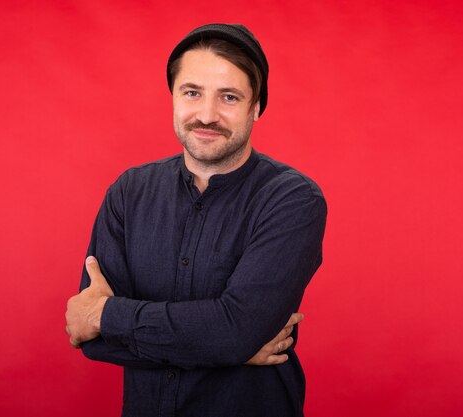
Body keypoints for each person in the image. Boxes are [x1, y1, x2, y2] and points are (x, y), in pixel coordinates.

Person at [65, 23, 327, 417]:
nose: (207, 115)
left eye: (229, 97)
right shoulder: (129, 192)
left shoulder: (292, 200)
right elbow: (93, 341)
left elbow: (232, 331)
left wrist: (106, 315)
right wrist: (231, 347)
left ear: (256, 107)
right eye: (192, 93)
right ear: (172, 97)